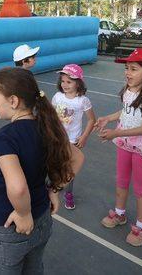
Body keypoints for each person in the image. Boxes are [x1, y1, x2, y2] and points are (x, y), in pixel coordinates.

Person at [0, 67, 84, 274]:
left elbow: (18, 187)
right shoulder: (45, 127)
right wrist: (55, 190)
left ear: (13, 101)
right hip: (42, 220)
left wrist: (23, 213)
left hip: (12, 227)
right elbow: (77, 157)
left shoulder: (5, 138)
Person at [94, 48, 142, 247]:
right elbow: (125, 112)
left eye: (133, 69)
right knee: (122, 180)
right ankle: (120, 214)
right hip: (125, 144)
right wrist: (108, 118)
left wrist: (115, 133)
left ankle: (141, 227)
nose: (127, 73)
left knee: (140, 188)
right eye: (126, 68)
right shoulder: (128, 90)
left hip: (141, 147)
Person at [52, 64, 96, 211]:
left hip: (72, 141)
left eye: (69, 82)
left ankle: (68, 194)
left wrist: (83, 137)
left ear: (78, 83)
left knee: (69, 169)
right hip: (56, 139)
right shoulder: (57, 97)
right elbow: (51, 116)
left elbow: (91, 120)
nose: (65, 85)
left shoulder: (82, 100)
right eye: (63, 81)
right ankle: (52, 188)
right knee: (53, 164)